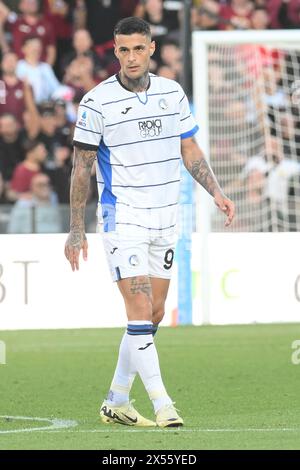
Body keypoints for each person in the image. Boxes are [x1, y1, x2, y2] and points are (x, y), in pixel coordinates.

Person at [64, 17, 235, 428]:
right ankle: (163, 404)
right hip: (124, 218)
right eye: (123, 50)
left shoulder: (171, 93)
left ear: (152, 48)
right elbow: (80, 169)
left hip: (166, 216)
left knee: (154, 313)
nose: (131, 57)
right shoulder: (96, 102)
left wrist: (215, 190)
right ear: (115, 51)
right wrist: (76, 228)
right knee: (138, 307)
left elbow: (188, 148)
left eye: (138, 48)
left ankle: (117, 399)